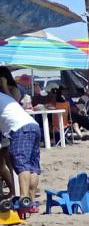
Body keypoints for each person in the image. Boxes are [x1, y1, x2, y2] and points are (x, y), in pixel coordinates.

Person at [0, 69, 41, 209]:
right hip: (33, 126)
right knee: (32, 166)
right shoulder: (6, 97)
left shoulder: (5, 94)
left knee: (21, 164)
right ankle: (30, 201)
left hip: (20, 129)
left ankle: (23, 200)